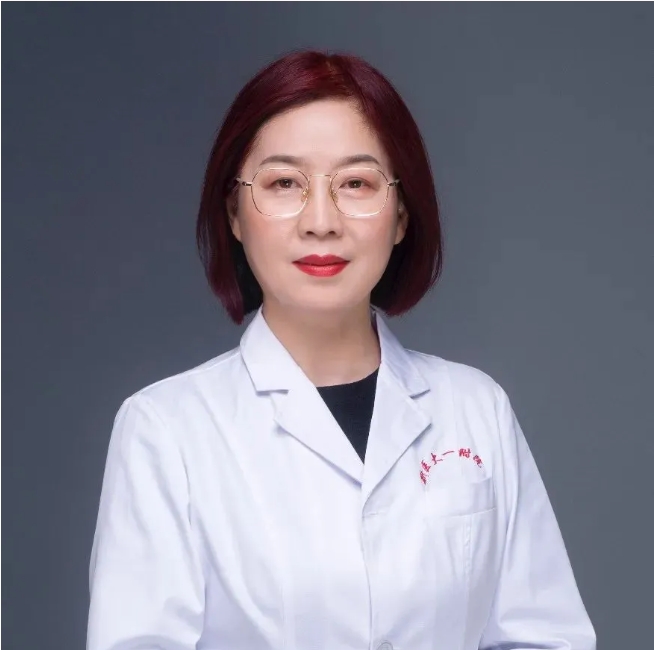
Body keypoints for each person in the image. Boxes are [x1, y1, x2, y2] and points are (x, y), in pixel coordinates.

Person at [87, 50, 596, 650]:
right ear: (235, 213)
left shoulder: (476, 409)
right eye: (284, 184)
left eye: (356, 183)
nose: (322, 221)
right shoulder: (166, 430)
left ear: (401, 213)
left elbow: (545, 636)